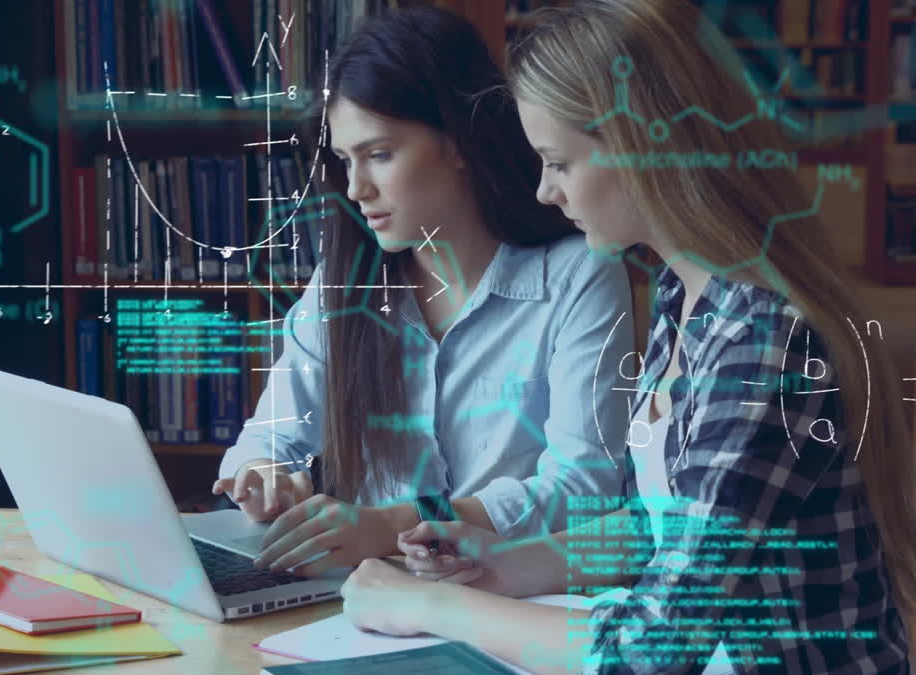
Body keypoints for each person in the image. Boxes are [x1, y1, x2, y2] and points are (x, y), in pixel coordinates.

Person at [338, 1, 916, 675]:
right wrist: (499, 569)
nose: (543, 191)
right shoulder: (685, 294)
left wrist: (429, 606)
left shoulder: (765, 347)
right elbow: (657, 528)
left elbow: (649, 660)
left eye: (559, 162)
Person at [210, 6, 635, 576]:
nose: (357, 188)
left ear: (458, 141)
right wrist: (264, 478)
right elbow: (269, 441)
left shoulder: (577, 275)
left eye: (380, 154)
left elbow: (584, 489)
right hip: (363, 595)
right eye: (345, 160)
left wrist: (392, 523)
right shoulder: (342, 284)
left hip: (508, 598)